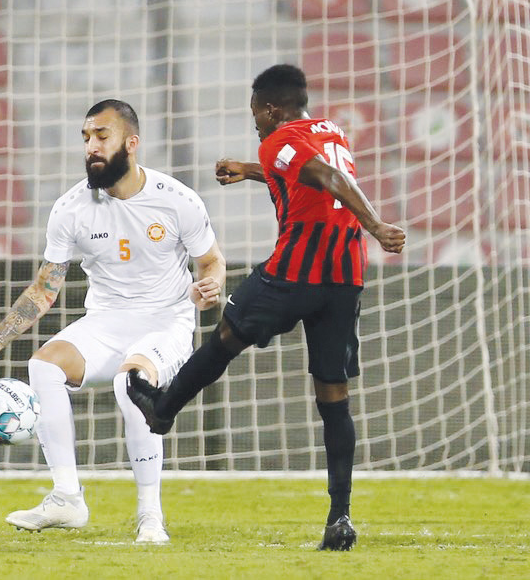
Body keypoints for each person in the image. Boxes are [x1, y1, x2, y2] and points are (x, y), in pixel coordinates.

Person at [125, 64, 406, 551]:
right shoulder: (329, 129)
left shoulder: (276, 140)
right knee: (333, 396)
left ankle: (162, 409)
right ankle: (339, 517)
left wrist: (378, 226)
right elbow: (306, 172)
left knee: (226, 338)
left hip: (293, 273)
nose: (254, 121)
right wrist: (251, 170)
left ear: (271, 109)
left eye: (255, 112)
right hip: (345, 278)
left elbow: (325, 177)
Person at [0, 99, 226, 544]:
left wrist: (211, 286)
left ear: (131, 143)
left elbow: (212, 263)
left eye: (101, 136)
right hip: (106, 321)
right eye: (86, 138)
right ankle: (67, 498)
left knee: (131, 386)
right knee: (43, 366)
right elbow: (44, 289)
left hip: (166, 321)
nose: (91, 146)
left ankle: (150, 516)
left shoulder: (177, 201)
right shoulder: (71, 208)